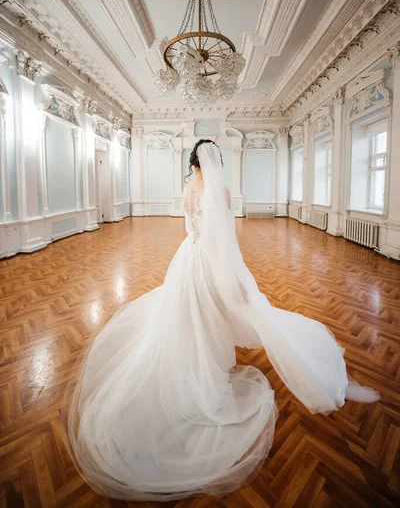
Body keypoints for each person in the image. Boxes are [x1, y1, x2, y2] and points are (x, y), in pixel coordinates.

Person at [62, 139, 379, 502]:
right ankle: (265, 364)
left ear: (193, 163)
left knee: (194, 317)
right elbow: (223, 241)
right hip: (211, 264)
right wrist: (233, 280)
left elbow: (191, 232)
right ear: (214, 163)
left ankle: (202, 363)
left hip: (187, 262)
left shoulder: (187, 190)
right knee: (236, 314)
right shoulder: (220, 191)